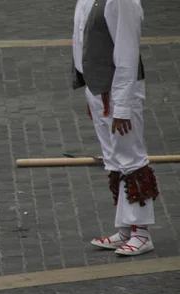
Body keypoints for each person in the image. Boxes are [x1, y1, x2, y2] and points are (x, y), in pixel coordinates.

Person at [72, 0, 159, 256]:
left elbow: (127, 53)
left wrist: (122, 106)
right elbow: (81, 40)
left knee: (130, 157)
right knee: (113, 158)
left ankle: (141, 231)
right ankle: (125, 228)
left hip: (118, 91)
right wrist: (91, 90)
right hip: (99, 89)